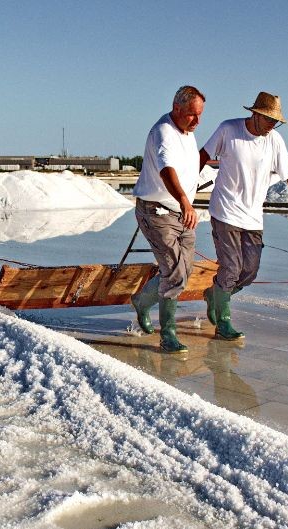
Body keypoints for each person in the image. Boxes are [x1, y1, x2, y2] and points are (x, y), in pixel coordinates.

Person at [199, 92, 288, 340]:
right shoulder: (228, 129)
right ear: (256, 114)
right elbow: (201, 156)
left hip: (252, 216)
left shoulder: (274, 141)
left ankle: (214, 295)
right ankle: (224, 322)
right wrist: (185, 192)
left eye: (276, 122)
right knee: (230, 268)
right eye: (269, 120)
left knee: (249, 272)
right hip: (225, 211)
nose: (273, 126)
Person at [129, 85, 206, 353]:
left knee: (184, 270)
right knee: (174, 271)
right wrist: (185, 201)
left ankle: (141, 301)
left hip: (182, 213)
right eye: (192, 115)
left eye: (200, 116)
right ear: (177, 108)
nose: (197, 121)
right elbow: (167, 169)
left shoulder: (188, 132)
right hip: (157, 211)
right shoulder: (163, 132)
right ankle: (168, 335)